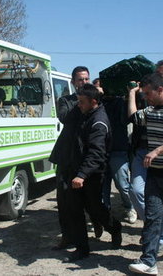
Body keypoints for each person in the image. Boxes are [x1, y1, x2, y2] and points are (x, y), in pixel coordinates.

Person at [128, 73, 163, 275]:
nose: (146, 97)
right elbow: (133, 116)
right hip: (156, 176)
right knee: (152, 219)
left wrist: (158, 150)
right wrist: (132, 93)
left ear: (160, 89)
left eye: (148, 93)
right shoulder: (150, 111)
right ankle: (149, 261)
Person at [63, 84, 122, 262]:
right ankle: (82, 249)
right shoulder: (84, 112)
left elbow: (96, 154)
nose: (78, 105)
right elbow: (66, 118)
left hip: (92, 174)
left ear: (94, 102)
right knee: (74, 210)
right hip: (76, 170)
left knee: (95, 210)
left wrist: (82, 175)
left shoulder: (99, 122)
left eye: (81, 102)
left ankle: (115, 228)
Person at [49, 66, 97, 250]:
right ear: (73, 82)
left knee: (92, 199)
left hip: (87, 156)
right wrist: (81, 102)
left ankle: (102, 224)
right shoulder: (65, 101)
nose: (83, 83)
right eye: (79, 80)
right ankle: (67, 236)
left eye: (86, 79)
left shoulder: (95, 101)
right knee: (63, 199)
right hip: (67, 156)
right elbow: (65, 118)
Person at [103, 96, 137, 224]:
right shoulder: (97, 103)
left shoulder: (120, 102)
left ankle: (130, 207)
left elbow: (126, 120)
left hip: (118, 149)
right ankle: (104, 212)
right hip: (101, 151)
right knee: (102, 185)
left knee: (122, 184)